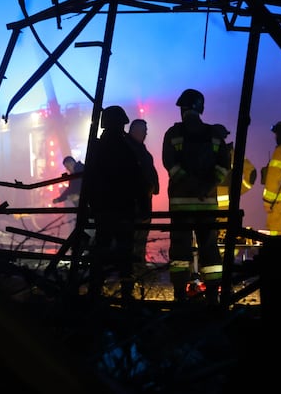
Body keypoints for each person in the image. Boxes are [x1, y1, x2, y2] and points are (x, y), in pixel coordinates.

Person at [161, 89, 232, 303]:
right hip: (207, 204)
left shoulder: (173, 134)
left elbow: (169, 164)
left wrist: (189, 184)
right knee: (210, 249)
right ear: (200, 109)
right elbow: (224, 166)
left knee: (180, 252)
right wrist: (207, 185)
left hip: (181, 205)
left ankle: (180, 295)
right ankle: (212, 296)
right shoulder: (214, 134)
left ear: (182, 109)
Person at [82, 105, 146, 300]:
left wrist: (90, 205)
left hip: (103, 209)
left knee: (101, 250)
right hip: (124, 208)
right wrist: (140, 205)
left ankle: (95, 289)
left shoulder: (96, 148)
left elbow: (89, 179)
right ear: (121, 124)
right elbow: (136, 179)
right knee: (125, 252)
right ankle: (126, 293)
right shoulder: (128, 149)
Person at [126, 118, 160, 277]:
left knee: (140, 236)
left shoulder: (139, 149)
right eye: (143, 130)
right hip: (134, 202)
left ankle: (136, 267)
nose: (146, 133)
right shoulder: (130, 148)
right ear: (135, 130)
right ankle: (132, 269)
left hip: (143, 201)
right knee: (134, 237)